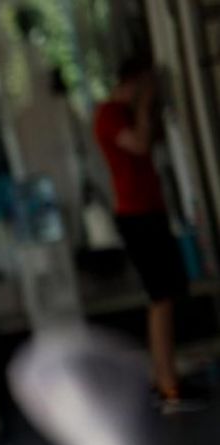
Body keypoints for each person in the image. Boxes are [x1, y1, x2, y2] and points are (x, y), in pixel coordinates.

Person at [93, 56, 203, 411]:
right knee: (161, 296)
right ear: (133, 82)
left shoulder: (124, 114)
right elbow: (139, 144)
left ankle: (165, 376)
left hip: (149, 211)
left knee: (167, 294)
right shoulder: (110, 114)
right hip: (136, 215)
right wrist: (144, 106)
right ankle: (167, 384)